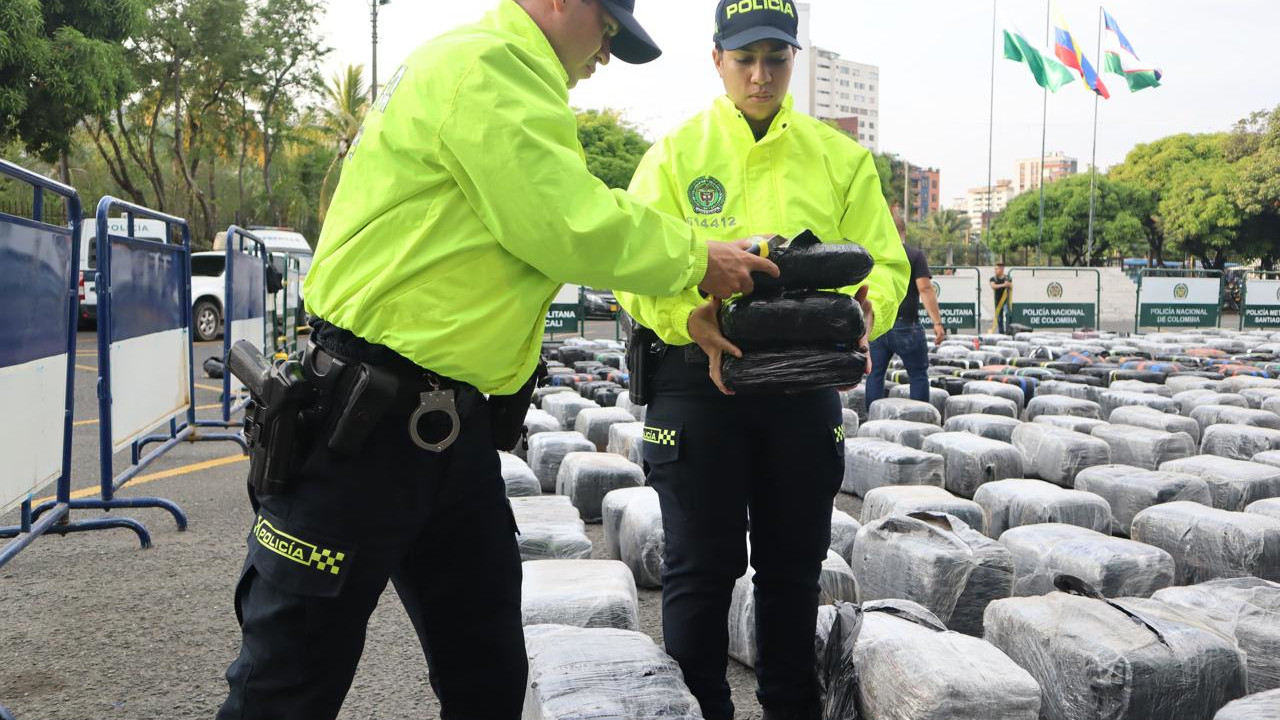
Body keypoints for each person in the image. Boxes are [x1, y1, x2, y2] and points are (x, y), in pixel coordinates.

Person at [216, 2, 777, 719]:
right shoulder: (486, 66)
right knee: (287, 683)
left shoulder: (519, 86)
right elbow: (563, 221)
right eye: (606, 26)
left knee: (486, 674)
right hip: (358, 431)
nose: (606, 50)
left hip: (450, 440)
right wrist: (697, 258)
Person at [614, 2, 908, 717]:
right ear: (717, 58)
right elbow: (629, 267)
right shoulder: (677, 154)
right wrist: (684, 316)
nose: (759, 74)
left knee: (791, 573)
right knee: (699, 572)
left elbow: (886, 262)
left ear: (793, 61)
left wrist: (870, 307)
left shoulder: (839, 157)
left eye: (775, 58)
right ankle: (700, 708)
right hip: (696, 380)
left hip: (801, 390)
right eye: (744, 58)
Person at [865, 206, 944, 406]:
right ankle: (919, 418)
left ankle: (872, 419)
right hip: (905, 325)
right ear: (903, 233)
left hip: (878, 323)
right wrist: (937, 323)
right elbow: (925, 289)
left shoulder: (873, 255)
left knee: (874, 374)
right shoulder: (914, 255)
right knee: (917, 374)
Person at [990, 261, 1012, 334]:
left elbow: (1010, 285)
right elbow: (993, 286)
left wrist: (1007, 284)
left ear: (1002, 269)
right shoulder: (993, 278)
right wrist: (1004, 285)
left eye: (997, 269)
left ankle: (1008, 331)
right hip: (998, 300)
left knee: (1007, 314)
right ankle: (1001, 333)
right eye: (995, 269)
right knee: (999, 318)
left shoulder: (1007, 277)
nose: (995, 271)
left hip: (1006, 300)